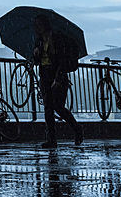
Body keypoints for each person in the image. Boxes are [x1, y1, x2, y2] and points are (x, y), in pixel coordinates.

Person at [33, 14, 84, 148]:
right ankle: (51, 139)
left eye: (39, 24)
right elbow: (36, 61)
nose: (37, 27)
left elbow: (62, 60)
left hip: (56, 74)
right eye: (36, 24)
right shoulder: (39, 41)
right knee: (48, 108)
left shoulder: (57, 39)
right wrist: (36, 54)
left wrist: (58, 78)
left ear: (45, 24)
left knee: (58, 107)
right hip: (44, 75)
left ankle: (77, 129)